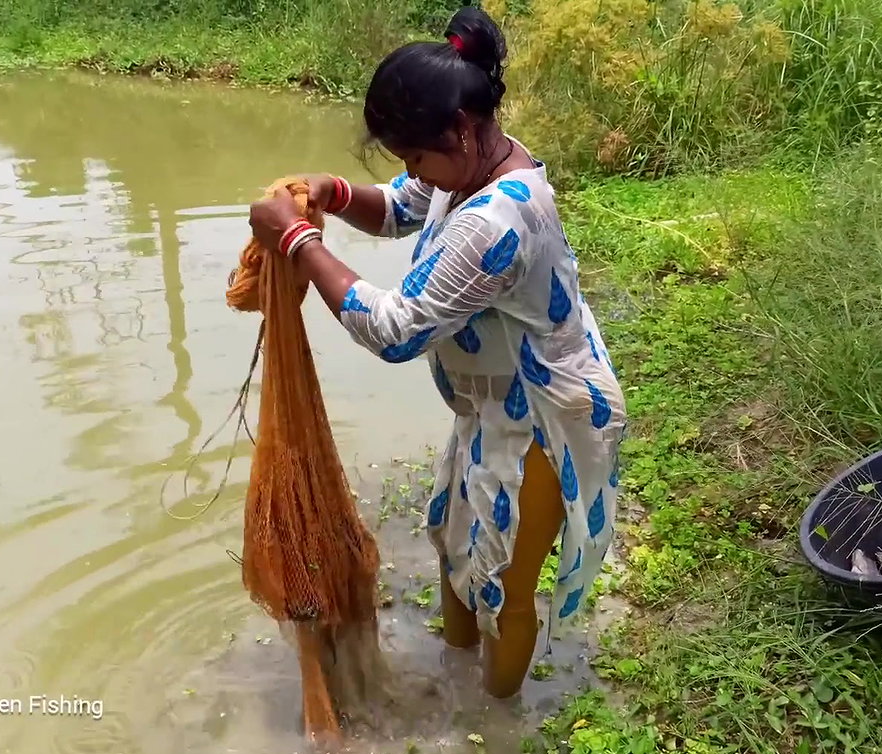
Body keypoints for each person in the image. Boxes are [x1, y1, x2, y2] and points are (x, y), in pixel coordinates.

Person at [246, 6, 627, 700]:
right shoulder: (472, 161)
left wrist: (301, 245)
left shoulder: (498, 219)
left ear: (457, 131)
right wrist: (333, 193)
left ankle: (494, 728)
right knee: (456, 544)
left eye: (415, 156)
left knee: (507, 584)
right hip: (491, 406)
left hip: (546, 415)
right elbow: (398, 206)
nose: (412, 172)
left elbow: (396, 328)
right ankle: (458, 677)